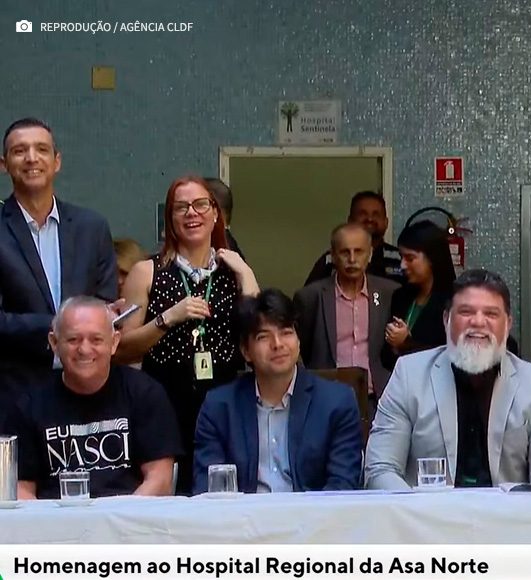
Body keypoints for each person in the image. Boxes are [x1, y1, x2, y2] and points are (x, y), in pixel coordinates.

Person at [116, 175, 260, 494]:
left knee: (225, 494)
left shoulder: (233, 270)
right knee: (173, 495)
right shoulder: (147, 271)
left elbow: (257, 333)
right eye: (181, 207)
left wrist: (247, 274)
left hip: (226, 402)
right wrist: (168, 318)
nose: (191, 213)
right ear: (170, 219)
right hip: (164, 402)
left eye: (200, 205)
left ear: (215, 214)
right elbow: (122, 348)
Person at [365, 269, 531, 490]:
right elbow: (380, 469)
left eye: (491, 314)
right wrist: (415, 507)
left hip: (509, 511)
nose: (478, 322)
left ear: (508, 324)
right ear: (446, 320)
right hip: (426, 510)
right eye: (466, 312)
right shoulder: (409, 375)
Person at [0, 118, 118, 429]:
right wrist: (59, 325)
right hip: (14, 395)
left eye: (41, 149)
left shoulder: (92, 228)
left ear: (57, 161)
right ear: (4, 164)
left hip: (89, 394)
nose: (31, 158)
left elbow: (105, 303)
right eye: (19, 151)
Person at [8, 297, 182, 499]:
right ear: (54, 343)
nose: (84, 349)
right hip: (54, 517)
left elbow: (160, 479)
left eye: (96, 340)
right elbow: (20, 489)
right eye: (73, 340)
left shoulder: (145, 393)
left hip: (130, 515)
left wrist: (118, 517)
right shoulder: (28, 403)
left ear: (114, 342)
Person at [193, 289, 362, 494]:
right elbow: (209, 489)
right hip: (243, 514)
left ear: (298, 340)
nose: (278, 344)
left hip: (312, 513)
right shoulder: (219, 407)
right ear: (246, 351)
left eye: (286, 332)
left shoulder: (337, 402)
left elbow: (342, 486)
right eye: (263, 337)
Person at [294, 223, 399, 399]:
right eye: (345, 252)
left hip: (378, 397)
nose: (352, 259)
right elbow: (301, 347)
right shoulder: (310, 297)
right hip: (327, 397)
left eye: (359, 252)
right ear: (333, 256)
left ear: (370, 254)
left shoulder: (389, 292)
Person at [382, 220, 457, 370]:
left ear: (432, 258)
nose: (402, 265)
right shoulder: (400, 296)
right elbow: (385, 357)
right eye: (401, 257)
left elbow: (451, 355)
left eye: (410, 258)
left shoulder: (455, 301)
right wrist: (394, 343)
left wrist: (407, 343)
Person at [304, 191, 404, 285]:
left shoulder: (401, 258)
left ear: (386, 222)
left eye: (376, 214)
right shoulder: (331, 259)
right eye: (362, 214)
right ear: (350, 220)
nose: (369, 219)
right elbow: (311, 294)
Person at [203, 178, 245, 260]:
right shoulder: (231, 248)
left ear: (215, 212)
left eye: (200, 205)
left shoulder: (223, 252)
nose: (191, 212)